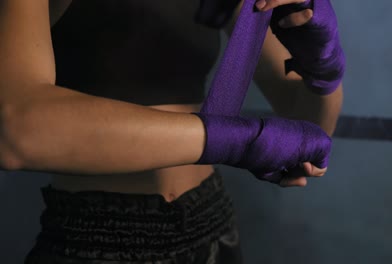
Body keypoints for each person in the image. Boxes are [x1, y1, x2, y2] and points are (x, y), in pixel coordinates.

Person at [0, 0, 344, 263]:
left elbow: (309, 132)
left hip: (212, 224)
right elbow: (15, 130)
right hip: (98, 239)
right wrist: (236, 141)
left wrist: (324, 65)